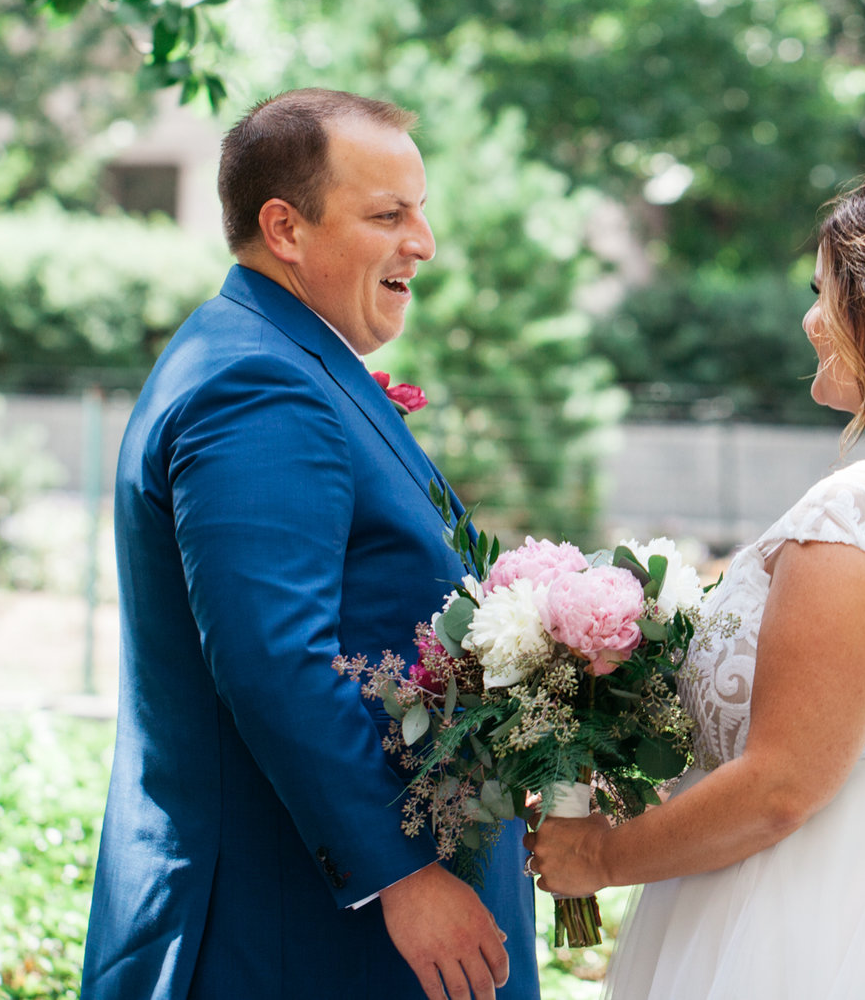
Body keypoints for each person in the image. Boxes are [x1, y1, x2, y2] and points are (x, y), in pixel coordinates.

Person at [522, 163, 865, 998]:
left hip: (809, 911)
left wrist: (599, 854)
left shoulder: (860, 515)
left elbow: (784, 785)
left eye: (825, 293)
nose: (810, 319)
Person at [81, 88, 533, 1000]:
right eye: (388, 215)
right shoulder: (255, 384)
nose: (424, 241)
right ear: (285, 228)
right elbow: (275, 659)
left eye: (421, 209)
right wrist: (398, 875)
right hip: (296, 933)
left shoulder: (284, 357)